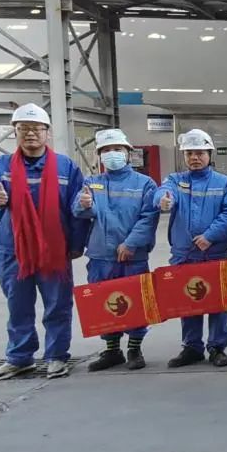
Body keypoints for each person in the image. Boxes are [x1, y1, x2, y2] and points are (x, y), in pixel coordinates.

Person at [0, 103, 89, 380]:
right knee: (18, 305)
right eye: (23, 128)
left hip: (54, 249)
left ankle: (56, 356)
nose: (30, 134)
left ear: (47, 132)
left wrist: (77, 244)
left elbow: (76, 208)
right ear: (14, 132)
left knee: (57, 305)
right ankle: (19, 357)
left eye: (36, 128)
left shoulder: (65, 167)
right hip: (14, 250)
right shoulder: (1, 166)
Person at [74, 128, 160, 371]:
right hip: (101, 255)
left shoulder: (144, 184)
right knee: (104, 303)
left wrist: (131, 243)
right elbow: (79, 211)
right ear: (99, 155)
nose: (112, 154)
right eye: (107, 150)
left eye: (117, 149)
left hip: (133, 256)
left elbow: (148, 217)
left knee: (136, 301)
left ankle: (134, 348)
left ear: (128, 153)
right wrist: (84, 205)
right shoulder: (92, 183)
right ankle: (112, 350)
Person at [155, 129, 227, 368]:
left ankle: (217, 347)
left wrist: (210, 236)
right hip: (184, 254)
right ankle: (192, 347)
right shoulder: (175, 180)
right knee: (188, 300)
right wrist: (163, 200)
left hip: (213, 253)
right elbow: (163, 192)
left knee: (218, 301)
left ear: (210, 154)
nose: (194, 157)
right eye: (189, 153)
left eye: (200, 153)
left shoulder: (224, 183)